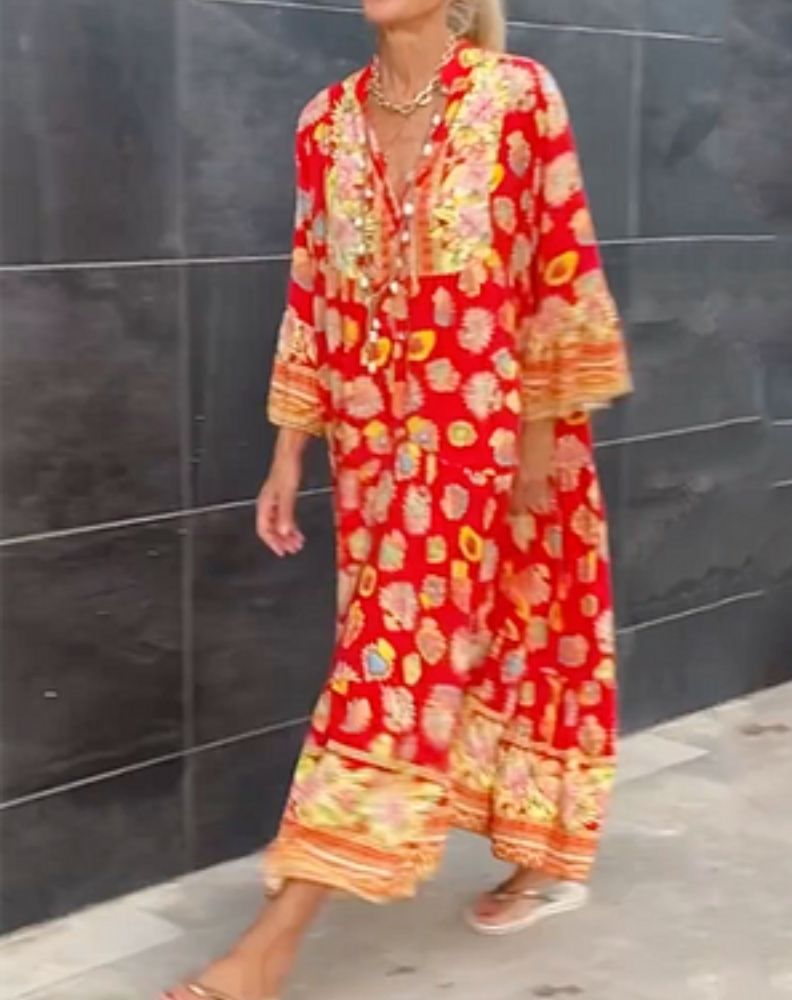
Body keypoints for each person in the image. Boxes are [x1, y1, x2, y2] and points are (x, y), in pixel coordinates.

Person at [164, 0, 630, 995]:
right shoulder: (324, 122)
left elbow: (558, 268)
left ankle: (272, 943)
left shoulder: (516, 96)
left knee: (457, 646)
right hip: (374, 451)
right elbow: (310, 290)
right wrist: (288, 451)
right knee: (415, 649)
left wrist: (538, 444)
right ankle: (517, 845)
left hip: (497, 432)